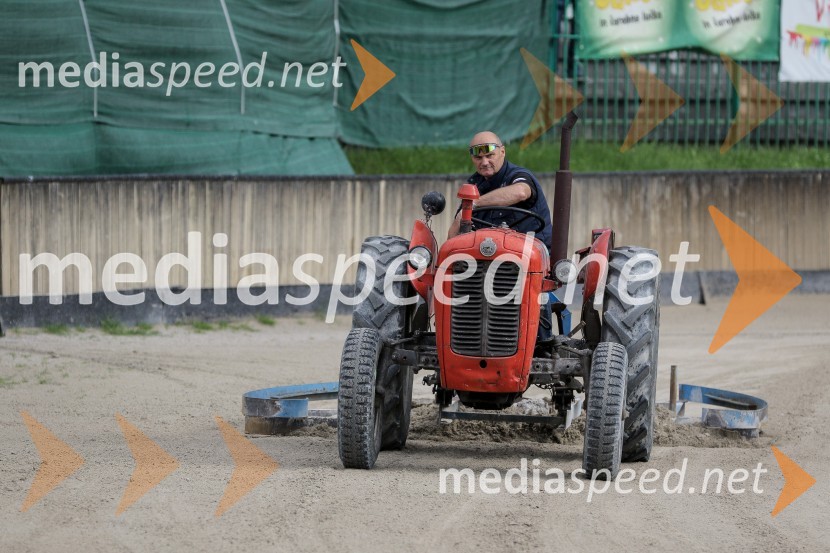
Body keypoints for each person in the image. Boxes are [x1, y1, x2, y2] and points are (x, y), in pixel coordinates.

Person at [448, 131, 552, 248]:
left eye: (489, 156)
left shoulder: (518, 175)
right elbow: (453, 237)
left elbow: (521, 192)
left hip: (529, 254)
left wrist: (475, 203)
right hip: (487, 255)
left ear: (502, 152)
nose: (484, 162)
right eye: (478, 158)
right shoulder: (473, 185)